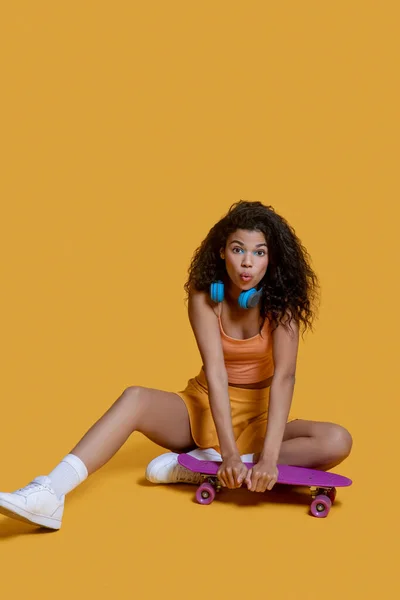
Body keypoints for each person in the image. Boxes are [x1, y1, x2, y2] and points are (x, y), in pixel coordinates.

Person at [0, 200, 353, 530]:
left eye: (259, 253)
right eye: (238, 250)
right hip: (204, 405)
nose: (248, 263)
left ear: (271, 259)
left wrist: (270, 459)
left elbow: (285, 378)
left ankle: (207, 467)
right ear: (222, 252)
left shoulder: (282, 307)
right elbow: (216, 373)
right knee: (135, 397)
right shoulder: (205, 298)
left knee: (337, 440)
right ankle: (50, 493)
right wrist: (229, 454)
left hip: (260, 419)